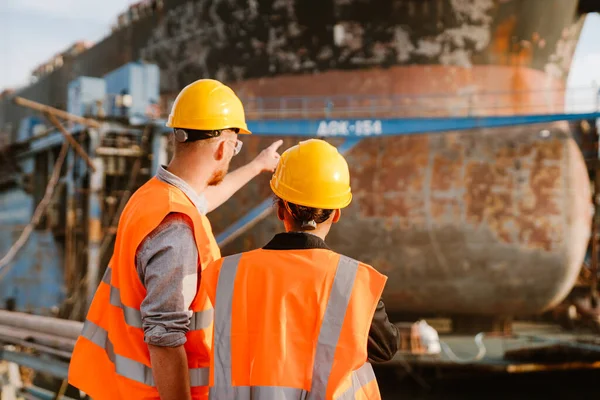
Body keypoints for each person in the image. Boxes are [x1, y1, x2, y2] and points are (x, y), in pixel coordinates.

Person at [68, 79, 282, 400]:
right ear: (223, 147)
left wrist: (257, 166)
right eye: (235, 147)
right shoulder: (177, 226)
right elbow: (165, 337)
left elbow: (205, 198)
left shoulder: (152, 197)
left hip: (118, 387)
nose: (232, 155)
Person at [202, 139, 399, 399]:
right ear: (336, 213)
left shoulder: (225, 274)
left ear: (280, 209)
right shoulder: (353, 281)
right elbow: (385, 347)